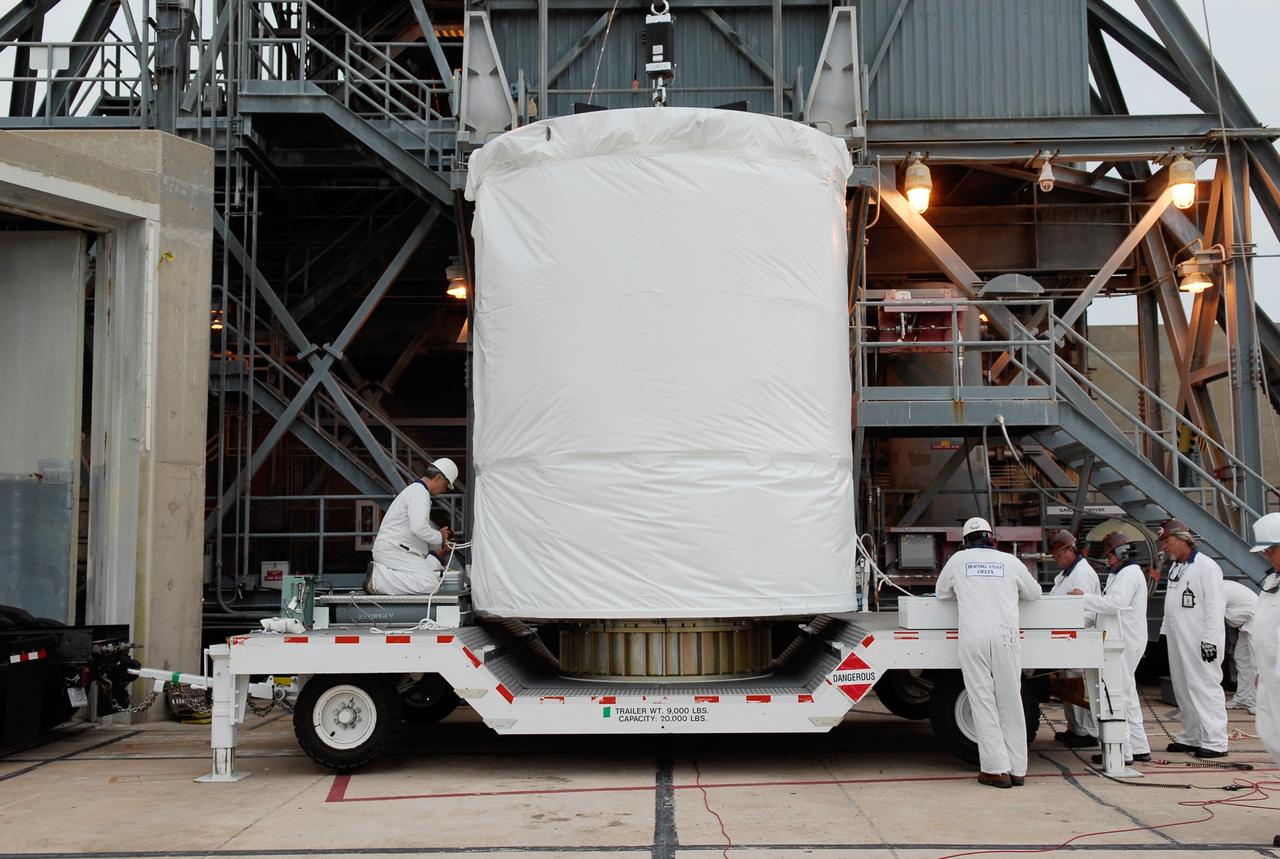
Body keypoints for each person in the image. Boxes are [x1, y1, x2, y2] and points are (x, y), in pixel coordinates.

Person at [936, 516, 1042, 789]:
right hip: (1006, 636)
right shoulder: (1010, 561)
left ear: (965, 540)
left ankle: (996, 769)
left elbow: (941, 593)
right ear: (991, 537)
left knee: (982, 700)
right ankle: (1018, 769)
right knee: (1010, 700)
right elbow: (1034, 593)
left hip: (974, 636)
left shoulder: (958, 561)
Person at [1069, 531, 1151, 766]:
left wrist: (1084, 598)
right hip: (1126, 638)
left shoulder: (1127, 574)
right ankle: (1138, 746)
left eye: (1109, 555)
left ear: (1121, 553)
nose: (1107, 560)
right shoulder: (1125, 573)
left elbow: (1115, 603)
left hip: (1124, 640)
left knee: (1118, 695)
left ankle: (1122, 752)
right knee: (1128, 692)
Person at [1158, 518, 1228, 758]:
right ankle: (1191, 736)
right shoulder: (1177, 567)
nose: (1164, 547)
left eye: (1166, 541)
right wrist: (1165, 633)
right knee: (1183, 688)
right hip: (1180, 638)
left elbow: (1215, 607)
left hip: (1200, 639)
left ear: (1181, 539)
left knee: (1204, 687)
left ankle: (1216, 740)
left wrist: (1210, 640)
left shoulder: (1206, 567)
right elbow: (1171, 604)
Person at [364, 458, 459, 596]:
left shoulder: (415, 491)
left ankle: (381, 578)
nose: (444, 490)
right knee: (430, 584)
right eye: (445, 485)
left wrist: (438, 536)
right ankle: (378, 579)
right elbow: (419, 528)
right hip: (395, 550)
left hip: (395, 549)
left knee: (428, 580)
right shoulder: (420, 493)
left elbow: (415, 531)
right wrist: (440, 536)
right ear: (438, 477)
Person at [1047, 529, 1101, 747]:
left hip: (1078, 637)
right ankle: (1076, 728)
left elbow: (1086, 610)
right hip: (1066, 637)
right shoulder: (1067, 574)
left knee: (1080, 686)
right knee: (1070, 686)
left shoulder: (1082, 575)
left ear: (1070, 550)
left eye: (1059, 555)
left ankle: (1087, 732)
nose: (1057, 560)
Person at [1247, 512, 1280, 847]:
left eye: (1271, 549)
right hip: (1272, 681)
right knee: (1275, 740)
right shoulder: (1272, 583)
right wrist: (1260, 672)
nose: (1267, 556)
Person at [1222, 578, 1259, 712]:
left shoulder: (1217, 589)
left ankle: (1260, 704)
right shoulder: (1220, 585)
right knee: (1242, 659)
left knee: (1257, 664)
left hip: (1257, 621)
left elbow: (1214, 617)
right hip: (1246, 624)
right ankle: (1243, 699)